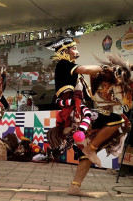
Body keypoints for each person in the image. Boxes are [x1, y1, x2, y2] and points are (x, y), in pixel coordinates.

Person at [46, 38, 124, 197]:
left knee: (87, 153)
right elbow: (88, 70)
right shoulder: (63, 64)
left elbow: (90, 92)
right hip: (75, 114)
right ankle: (91, 149)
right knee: (117, 120)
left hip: (76, 114)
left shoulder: (74, 74)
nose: (77, 51)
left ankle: (75, 187)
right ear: (65, 52)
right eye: (73, 48)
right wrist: (109, 68)